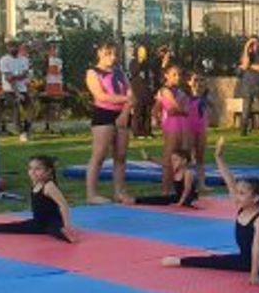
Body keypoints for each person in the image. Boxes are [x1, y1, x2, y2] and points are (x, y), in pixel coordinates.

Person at [162, 137, 259, 293]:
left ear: (255, 199)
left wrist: (254, 274)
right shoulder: (242, 207)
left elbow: (257, 247)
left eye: (242, 194)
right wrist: (218, 157)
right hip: (244, 259)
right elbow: (229, 180)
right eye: (238, 193)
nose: (237, 196)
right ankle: (181, 261)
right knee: (215, 260)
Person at [0, 155, 76, 243]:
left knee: (55, 231)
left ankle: (67, 236)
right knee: (14, 227)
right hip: (38, 223)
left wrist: (67, 225)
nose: (33, 172)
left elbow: (63, 205)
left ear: (48, 171)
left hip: (52, 222)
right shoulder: (36, 183)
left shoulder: (49, 186)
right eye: (31, 169)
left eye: (37, 169)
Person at [84, 41, 133, 205]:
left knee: (121, 155)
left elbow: (130, 93)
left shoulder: (120, 72)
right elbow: (101, 96)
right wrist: (127, 99)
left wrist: (125, 112)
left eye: (114, 54)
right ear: (99, 53)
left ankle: (119, 191)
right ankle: (91, 194)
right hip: (104, 114)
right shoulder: (93, 72)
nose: (112, 58)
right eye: (108, 54)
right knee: (99, 155)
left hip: (122, 114)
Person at [152, 64, 189, 196]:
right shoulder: (165, 90)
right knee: (169, 157)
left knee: (180, 157)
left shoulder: (180, 91)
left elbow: (184, 108)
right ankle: (165, 189)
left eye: (179, 74)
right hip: (171, 124)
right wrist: (157, 118)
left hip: (181, 124)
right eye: (174, 74)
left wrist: (182, 110)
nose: (177, 77)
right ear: (166, 75)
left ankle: (176, 188)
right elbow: (174, 108)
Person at [133, 148, 198, 207]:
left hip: (189, 197)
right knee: (161, 199)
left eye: (176, 160)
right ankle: (136, 200)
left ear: (184, 161)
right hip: (178, 196)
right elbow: (163, 164)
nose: (173, 162)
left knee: (189, 202)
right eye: (172, 160)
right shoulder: (175, 170)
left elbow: (187, 189)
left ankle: (192, 203)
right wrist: (150, 158)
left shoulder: (188, 173)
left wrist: (180, 203)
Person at [0, 42, 32, 141]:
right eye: (11, 47)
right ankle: (20, 132)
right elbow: (8, 78)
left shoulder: (24, 59)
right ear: (8, 48)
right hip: (9, 90)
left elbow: (25, 74)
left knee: (30, 110)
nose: (13, 49)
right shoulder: (4, 60)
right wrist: (17, 93)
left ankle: (27, 130)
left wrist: (15, 77)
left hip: (23, 89)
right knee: (15, 108)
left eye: (15, 46)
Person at [238, 36, 259, 135]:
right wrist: (246, 47)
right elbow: (245, 63)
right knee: (246, 109)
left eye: (256, 43)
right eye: (252, 43)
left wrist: (250, 66)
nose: (254, 45)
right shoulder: (246, 54)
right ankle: (243, 130)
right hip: (248, 86)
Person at [185, 70, 210, 191]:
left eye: (201, 80)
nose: (198, 83)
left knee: (200, 156)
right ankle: (187, 184)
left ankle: (202, 183)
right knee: (188, 156)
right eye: (195, 80)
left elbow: (205, 112)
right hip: (189, 127)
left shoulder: (205, 97)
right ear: (189, 82)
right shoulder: (185, 97)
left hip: (201, 128)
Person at [129, 43, 155, 138]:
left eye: (144, 51)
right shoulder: (133, 62)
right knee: (138, 111)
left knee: (147, 111)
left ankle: (147, 131)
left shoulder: (148, 63)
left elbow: (151, 75)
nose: (143, 53)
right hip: (137, 89)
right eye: (141, 51)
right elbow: (134, 72)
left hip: (147, 89)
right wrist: (140, 62)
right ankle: (137, 131)